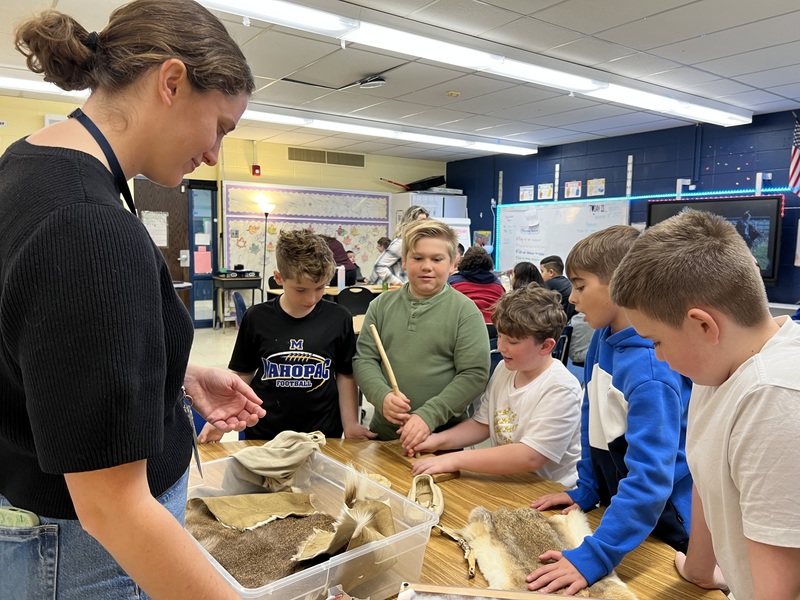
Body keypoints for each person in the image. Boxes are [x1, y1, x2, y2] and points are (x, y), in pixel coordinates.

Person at [0, 2, 267, 598]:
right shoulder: (86, 226)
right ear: (171, 82)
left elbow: (39, 351)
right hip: (88, 554)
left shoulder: (26, 165)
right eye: (220, 126)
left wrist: (171, 373)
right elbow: (112, 509)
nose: (213, 153)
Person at [610, 209, 800, 600]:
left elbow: (780, 590)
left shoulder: (774, 399)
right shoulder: (717, 367)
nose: (658, 358)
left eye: (656, 341)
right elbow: (707, 472)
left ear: (703, 326)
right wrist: (699, 569)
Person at [526, 225, 693, 596]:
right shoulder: (605, 335)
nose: (573, 299)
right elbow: (594, 421)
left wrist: (596, 556)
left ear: (622, 284)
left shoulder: (650, 372)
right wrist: (588, 487)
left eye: (581, 286)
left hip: (669, 527)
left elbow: (651, 479)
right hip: (622, 515)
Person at [199, 230, 376, 443]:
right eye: (301, 290)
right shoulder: (256, 317)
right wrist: (223, 418)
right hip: (265, 432)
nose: (311, 298)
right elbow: (242, 375)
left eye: (320, 288)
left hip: (322, 434)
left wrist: (351, 425)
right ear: (279, 278)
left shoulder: (339, 318)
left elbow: (345, 375)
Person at [410, 284, 582, 487]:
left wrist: (453, 459)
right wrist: (436, 441)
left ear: (546, 346)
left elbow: (530, 456)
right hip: (511, 480)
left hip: (550, 489)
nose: (500, 347)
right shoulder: (505, 368)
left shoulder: (561, 388)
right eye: (499, 336)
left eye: (513, 342)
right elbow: (482, 425)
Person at [354, 219, 490, 450]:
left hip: (441, 440)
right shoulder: (380, 305)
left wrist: (430, 414)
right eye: (418, 258)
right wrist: (382, 396)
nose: (427, 266)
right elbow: (364, 360)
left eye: (437, 259)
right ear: (404, 261)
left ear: (452, 264)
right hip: (384, 435)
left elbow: (474, 374)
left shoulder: (465, 312)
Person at [370, 205, 429, 285]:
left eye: (425, 221)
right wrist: (399, 283)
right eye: (420, 221)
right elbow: (379, 266)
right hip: (401, 290)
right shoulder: (401, 242)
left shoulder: (419, 242)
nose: (423, 224)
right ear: (410, 222)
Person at [447, 245, 506, 325]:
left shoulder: (452, 282)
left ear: (463, 261)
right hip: (493, 329)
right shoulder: (498, 285)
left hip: (463, 326)